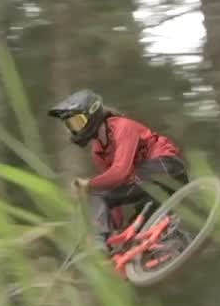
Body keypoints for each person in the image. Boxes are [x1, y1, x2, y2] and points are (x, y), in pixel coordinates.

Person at [46, 89, 188, 252]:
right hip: (147, 183)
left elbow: (120, 173)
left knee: (95, 193)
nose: (75, 130)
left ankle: (97, 246)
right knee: (134, 238)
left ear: (93, 114)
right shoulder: (98, 151)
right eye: (70, 125)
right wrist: (113, 229)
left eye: (78, 122)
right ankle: (174, 246)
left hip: (165, 168)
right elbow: (111, 191)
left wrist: (88, 185)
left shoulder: (122, 126)